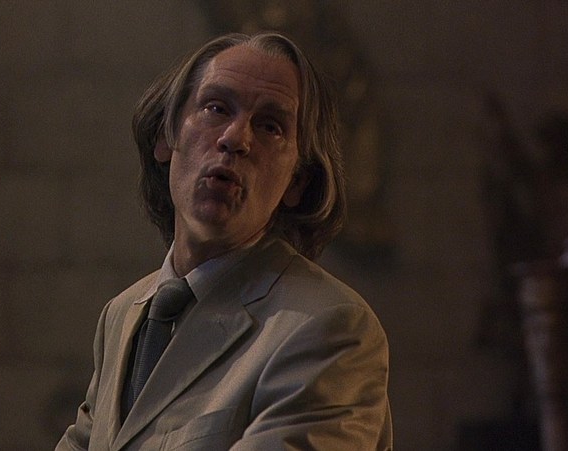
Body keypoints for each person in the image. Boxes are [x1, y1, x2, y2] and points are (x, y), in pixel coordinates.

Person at [56, 32, 392, 450]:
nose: (235, 138)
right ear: (166, 137)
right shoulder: (122, 316)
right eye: (216, 108)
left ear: (298, 182)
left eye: (270, 126)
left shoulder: (328, 327)